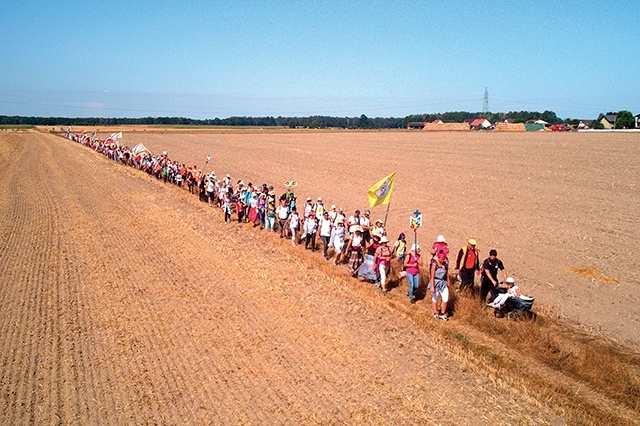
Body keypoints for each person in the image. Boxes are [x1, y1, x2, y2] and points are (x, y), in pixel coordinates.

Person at [430, 253, 451, 320]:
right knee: (435, 298)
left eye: (444, 259)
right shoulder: (434, 264)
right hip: (435, 282)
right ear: (439, 258)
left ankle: (442, 313)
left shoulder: (445, 265)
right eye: (442, 259)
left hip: (443, 282)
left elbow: (447, 274)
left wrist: (448, 282)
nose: (443, 260)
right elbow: (432, 276)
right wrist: (432, 286)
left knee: (445, 298)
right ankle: (435, 312)